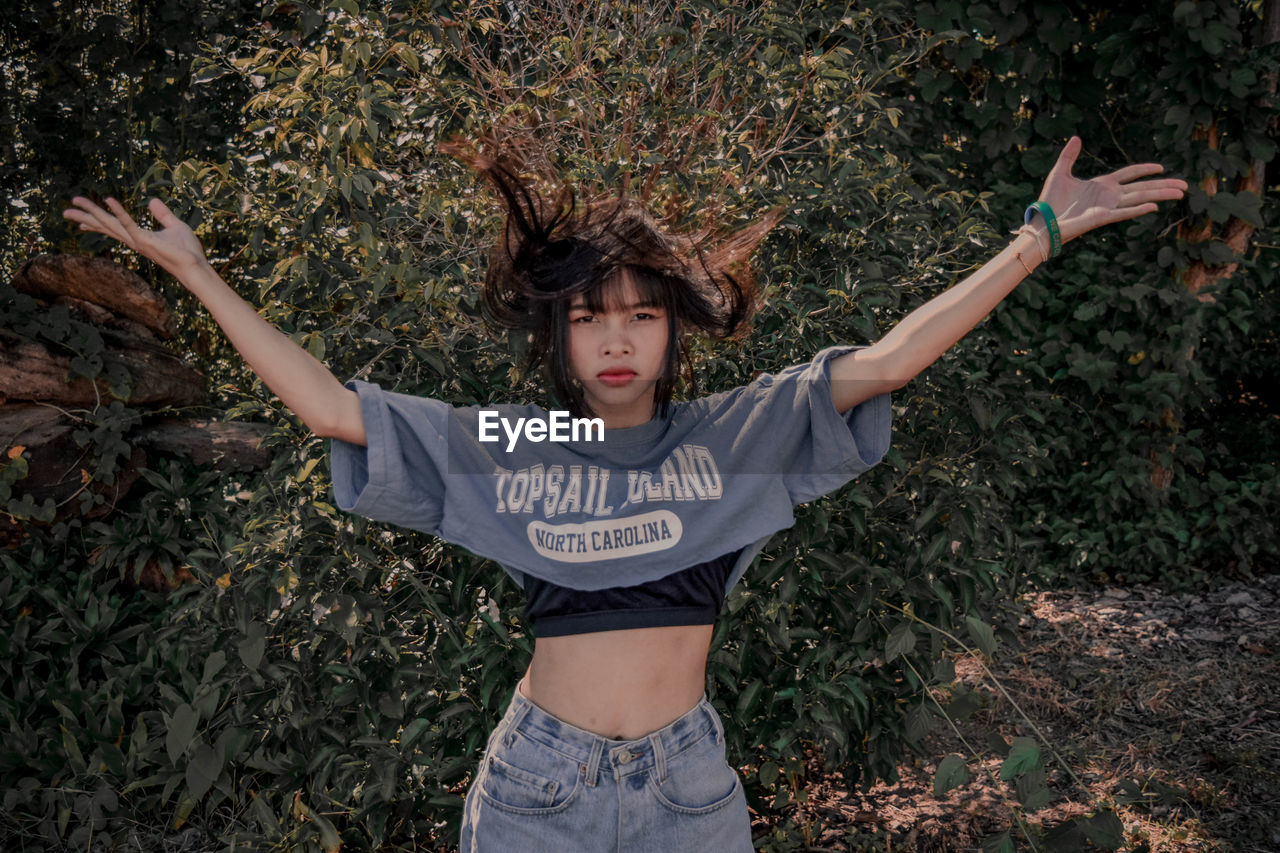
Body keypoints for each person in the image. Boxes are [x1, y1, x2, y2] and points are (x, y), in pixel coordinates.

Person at [63, 135, 1186, 852]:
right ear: (558, 332)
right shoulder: (515, 442)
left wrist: (1033, 238)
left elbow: (888, 361)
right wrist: (198, 272)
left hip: (689, 789)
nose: (614, 338)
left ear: (672, 330)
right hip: (537, 791)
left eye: (639, 314)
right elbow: (332, 410)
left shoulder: (732, 432)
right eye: (589, 315)